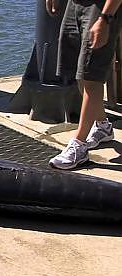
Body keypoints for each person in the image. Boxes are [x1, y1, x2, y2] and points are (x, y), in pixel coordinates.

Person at [46, 0, 122, 170]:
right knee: (80, 73)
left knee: (91, 75)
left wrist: (105, 18)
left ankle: (79, 145)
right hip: (75, 5)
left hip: (102, 8)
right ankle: (103, 126)